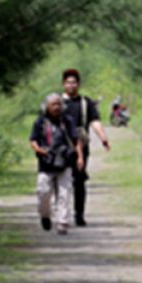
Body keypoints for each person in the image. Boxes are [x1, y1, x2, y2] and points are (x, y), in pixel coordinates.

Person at [29, 93, 84, 235]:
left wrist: (79, 157)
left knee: (65, 193)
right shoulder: (40, 122)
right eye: (53, 104)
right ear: (47, 106)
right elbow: (33, 139)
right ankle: (45, 215)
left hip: (65, 162)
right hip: (46, 163)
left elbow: (76, 139)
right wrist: (38, 150)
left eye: (59, 104)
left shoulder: (67, 121)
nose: (57, 107)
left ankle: (62, 222)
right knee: (43, 192)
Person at [61, 68, 110, 227]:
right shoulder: (57, 103)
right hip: (60, 147)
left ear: (79, 84)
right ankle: (62, 214)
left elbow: (94, 121)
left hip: (81, 147)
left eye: (74, 82)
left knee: (79, 181)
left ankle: (79, 214)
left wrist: (103, 138)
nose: (71, 85)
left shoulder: (85, 103)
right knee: (61, 181)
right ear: (63, 84)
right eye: (68, 82)